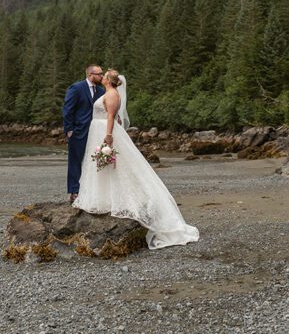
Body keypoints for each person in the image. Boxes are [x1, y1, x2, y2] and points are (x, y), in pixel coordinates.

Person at [73, 70, 199, 249]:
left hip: (104, 130)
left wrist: (108, 135)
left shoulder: (112, 94)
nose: (101, 77)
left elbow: (110, 116)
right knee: (103, 166)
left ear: (109, 80)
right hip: (98, 129)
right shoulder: (108, 93)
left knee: (116, 165)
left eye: (104, 75)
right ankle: (103, 197)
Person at [62, 64, 105, 202]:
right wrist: (69, 130)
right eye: (99, 74)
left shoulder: (101, 91)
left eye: (102, 74)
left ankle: (90, 190)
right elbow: (68, 110)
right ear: (90, 75)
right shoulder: (76, 88)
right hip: (78, 131)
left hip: (96, 131)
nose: (101, 76)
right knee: (75, 161)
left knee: (93, 160)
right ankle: (74, 191)